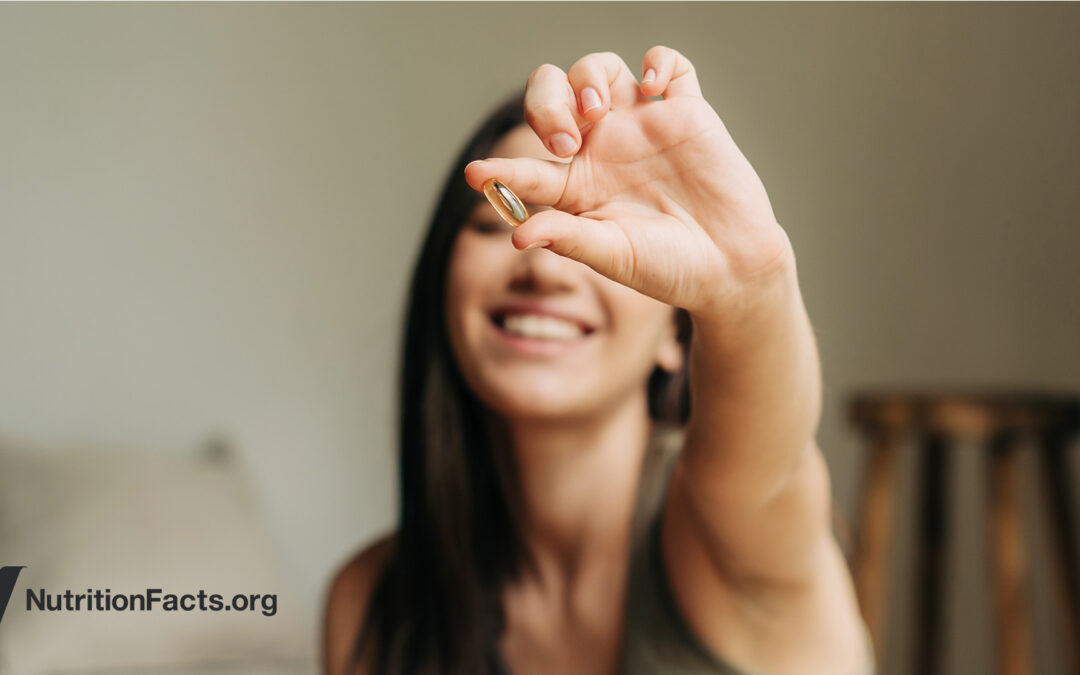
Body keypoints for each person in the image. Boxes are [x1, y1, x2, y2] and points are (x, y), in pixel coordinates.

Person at [322, 46, 873, 675]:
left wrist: (747, 284)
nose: (541, 262)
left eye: (594, 228)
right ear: (442, 285)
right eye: (494, 220)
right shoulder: (373, 604)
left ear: (676, 334)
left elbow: (768, 469)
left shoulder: (726, 540)